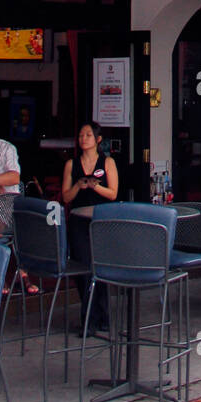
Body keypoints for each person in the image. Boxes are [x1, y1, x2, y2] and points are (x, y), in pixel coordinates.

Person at [62, 121, 118, 331]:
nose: (83, 139)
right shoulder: (72, 164)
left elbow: (113, 193)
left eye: (88, 135)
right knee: (83, 269)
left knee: (100, 268)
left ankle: (102, 317)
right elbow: (66, 197)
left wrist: (96, 186)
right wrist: (78, 185)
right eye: (81, 135)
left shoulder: (107, 162)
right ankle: (88, 318)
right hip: (78, 220)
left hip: (101, 221)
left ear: (98, 140)